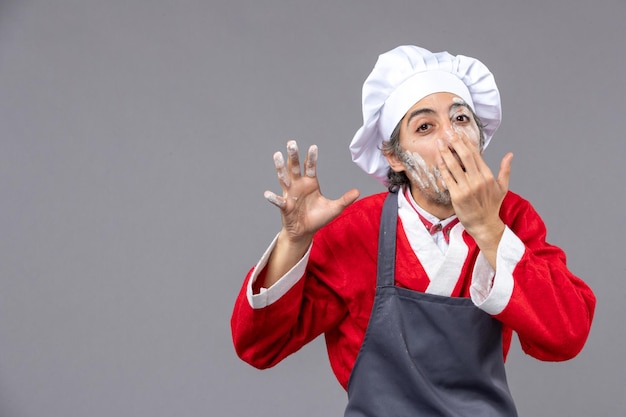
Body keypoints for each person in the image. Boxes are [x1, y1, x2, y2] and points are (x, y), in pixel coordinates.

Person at [230, 45, 596, 416]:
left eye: (461, 120)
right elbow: (259, 346)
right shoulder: (359, 229)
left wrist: (489, 230)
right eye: (425, 127)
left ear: (480, 138)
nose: (451, 139)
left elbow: (567, 335)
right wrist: (294, 240)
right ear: (393, 155)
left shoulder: (510, 217)